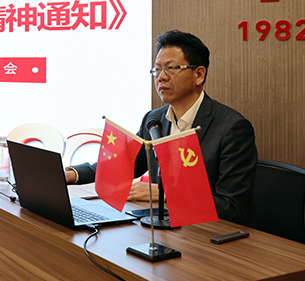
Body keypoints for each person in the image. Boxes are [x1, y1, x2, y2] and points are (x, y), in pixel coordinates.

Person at [65, 30, 258, 227]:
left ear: (199, 74)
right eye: (157, 70)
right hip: (167, 227)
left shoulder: (232, 128)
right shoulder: (154, 119)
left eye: (171, 68)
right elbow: (121, 165)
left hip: (214, 233)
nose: (161, 77)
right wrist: (71, 174)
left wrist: (165, 195)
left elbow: (232, 207)